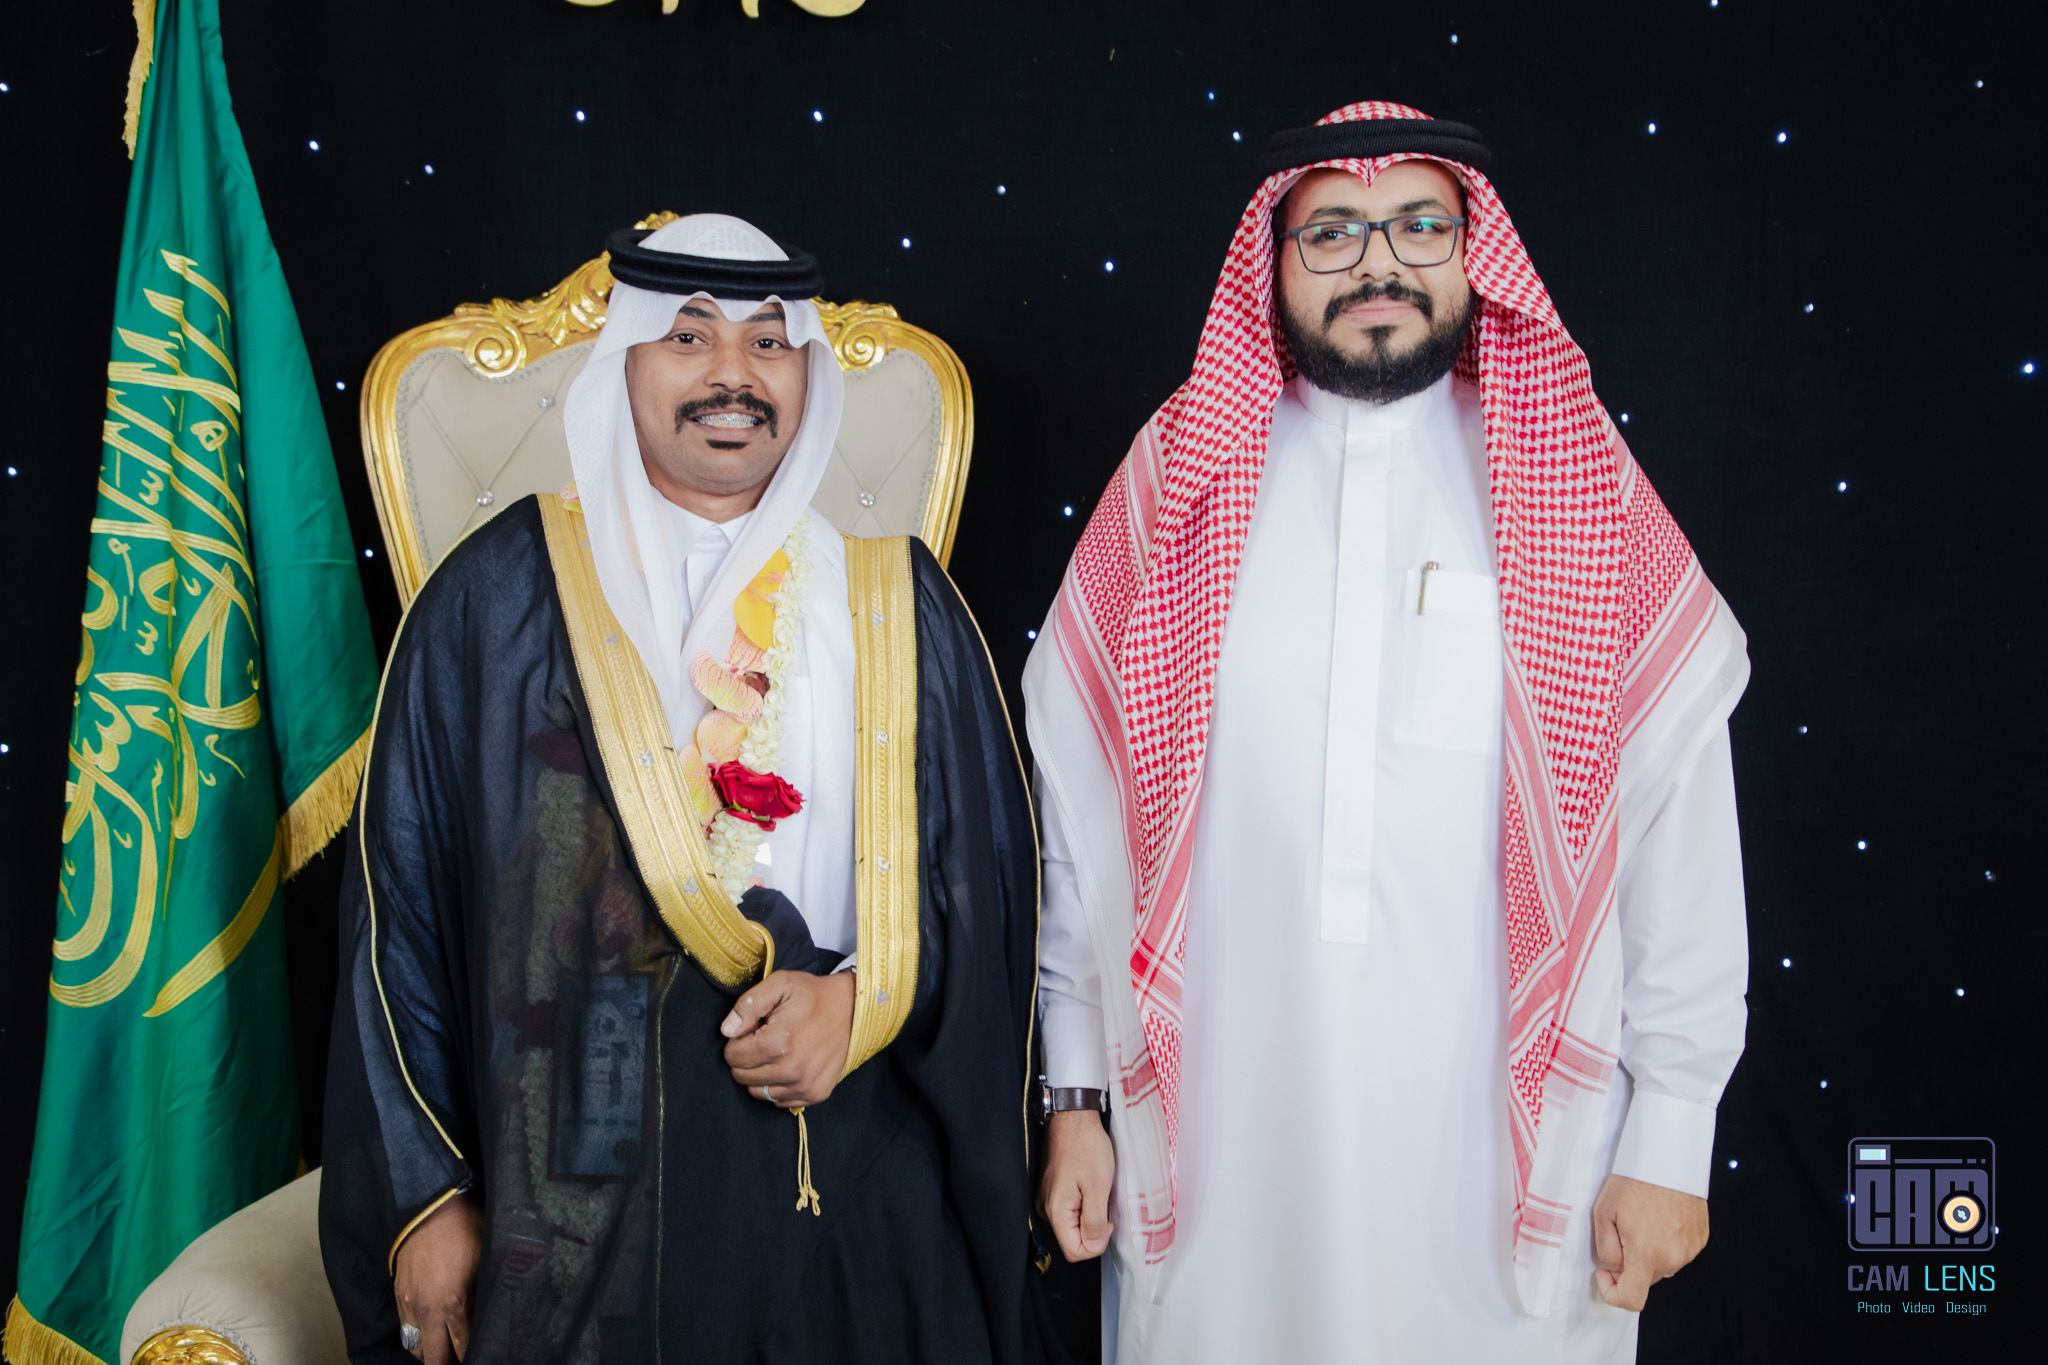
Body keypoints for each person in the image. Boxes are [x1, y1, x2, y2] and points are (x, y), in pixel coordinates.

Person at [1025, 103, 1751, 1363]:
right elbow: (1084, 824)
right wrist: (1076, 1093)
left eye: (1419, 226)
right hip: (1220, 1148)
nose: (1378, 262)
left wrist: (1673, 1134)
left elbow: (1677, 833)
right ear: (1274, 261)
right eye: (1333, 231)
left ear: (1473, 255)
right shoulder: (1179, 482)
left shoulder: (1575, 488)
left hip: (1503, 1169)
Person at [320, 214, 1042, 1365]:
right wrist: (430, 1193)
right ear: (624, 361)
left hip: (845, 1129)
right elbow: (394, 910)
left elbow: (986, 887)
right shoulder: (494, 598)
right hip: (575, 1160)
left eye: (769, 343)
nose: (732, 376)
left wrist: (858, 1002)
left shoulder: (896, 602)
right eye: (689, 337)